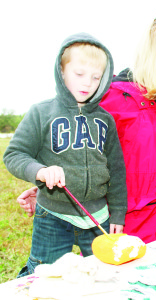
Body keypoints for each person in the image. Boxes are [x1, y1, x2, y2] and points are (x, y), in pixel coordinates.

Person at [17, 13, 156, 243]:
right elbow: (74, 148)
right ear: (152, 51)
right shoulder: (112, 97)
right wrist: (47, 191)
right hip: (129, 235)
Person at [3, 32, 127, 277]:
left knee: (103, 277)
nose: (87, 83)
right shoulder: (41, 112)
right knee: (46, 276)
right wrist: (40, 171)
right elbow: (15, 154)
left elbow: (116, 169)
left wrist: (119, 212)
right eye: (79, 74)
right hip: (53, 214)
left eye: (96, 77)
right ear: (61, 71)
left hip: (97, 217)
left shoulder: (105, 120)